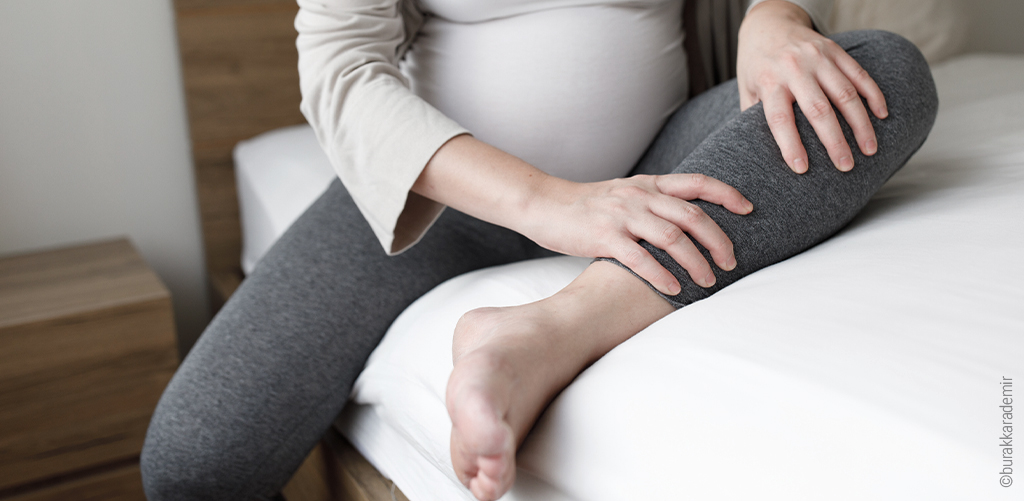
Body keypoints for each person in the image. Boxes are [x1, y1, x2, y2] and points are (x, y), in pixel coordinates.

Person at [140, 0, 938, 500]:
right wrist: (552, 206)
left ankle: (544, 332)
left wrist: (775, 16)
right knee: (193, 462)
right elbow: (340, 71)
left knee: (881, 74)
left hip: (654, 161)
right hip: (444, 196)